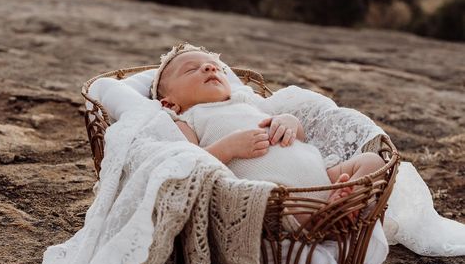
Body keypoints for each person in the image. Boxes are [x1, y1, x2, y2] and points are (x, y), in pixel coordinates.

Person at [151, 43, 386, 231]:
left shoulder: (249, 102)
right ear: (169, 102)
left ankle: (340, 204)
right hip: (279, 195)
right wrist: (228, 148)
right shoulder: (186, 120)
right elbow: (189, 166)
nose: (210, 69)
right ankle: (323, 219)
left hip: (323, 174)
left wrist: (289, 122)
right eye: (192, 69)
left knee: (373, 163)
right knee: (276, 203)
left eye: (216, 67)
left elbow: (300, 138)